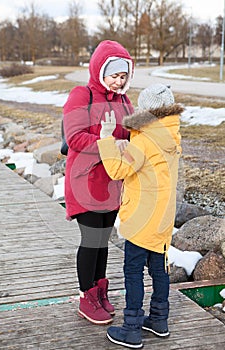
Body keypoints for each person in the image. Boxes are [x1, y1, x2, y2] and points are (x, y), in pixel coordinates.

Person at [97, 83, 184, 348]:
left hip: (142, 219)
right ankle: (159, 319)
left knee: (133, 271)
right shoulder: (171, 136)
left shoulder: (145, 139)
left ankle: (132, 328)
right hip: (162, 220)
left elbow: (117, 169)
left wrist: (106, 138)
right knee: (159, 269)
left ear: (146, 111)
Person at [63, 40, 134, 325]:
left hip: (112, 184)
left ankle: (100, 291)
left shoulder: (124, 102)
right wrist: (109, 144)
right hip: (86, 182)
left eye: (123, 76)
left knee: (103, 241)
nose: (119, 81)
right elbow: (75, 137)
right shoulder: (82, 95)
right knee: (91, 241)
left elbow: (132, 136)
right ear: (99, 70)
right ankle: (86, 296)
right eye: (114, 75)